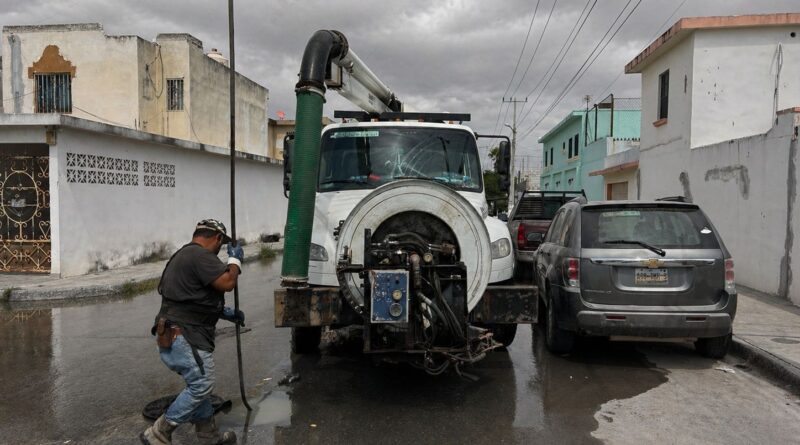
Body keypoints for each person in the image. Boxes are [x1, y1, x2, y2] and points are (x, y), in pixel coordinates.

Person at [141, 219, 245, 445]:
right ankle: (159, 431)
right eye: (222, 244)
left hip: (173, 335)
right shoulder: (200, 256)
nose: (220, 249)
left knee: (199, 387)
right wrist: (234, 260)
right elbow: (227, 282)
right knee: (201, 385)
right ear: (217, 238)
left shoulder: (183, 255)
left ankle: (209, 438)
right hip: (186, 336)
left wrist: (224, 312)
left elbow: (190, 299)